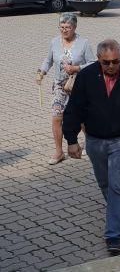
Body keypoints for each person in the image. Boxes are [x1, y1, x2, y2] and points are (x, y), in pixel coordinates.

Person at [63, 39, 120, 256]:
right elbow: (74, 109)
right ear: (98, 60)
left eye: (116, 61)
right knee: (105, 183)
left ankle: (113, 234)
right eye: (106, 63)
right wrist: (71, 140)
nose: (112, 66)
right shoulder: (87, 77)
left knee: (117, 186)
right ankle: (119, 209)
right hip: (95, 141)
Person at [37, 13, 96, 165]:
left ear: (74, 27)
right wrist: (41, 72)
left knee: (82, 118)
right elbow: (48, 59)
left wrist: (77, 67)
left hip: (78, 85)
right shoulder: (55, 42)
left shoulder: (83, 43)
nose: (64, 30)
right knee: (56, 117)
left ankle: (89, 145)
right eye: (62, 27)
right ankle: (58, 151)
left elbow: (93, 63)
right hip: (59, 85)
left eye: (68, 27)